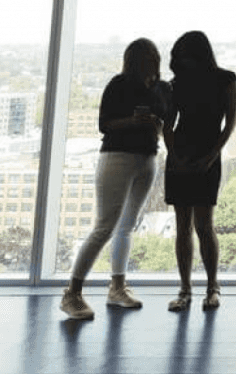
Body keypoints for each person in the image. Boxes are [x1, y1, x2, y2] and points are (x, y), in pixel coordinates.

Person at [60, 38, 169, 320]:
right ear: (133, 60)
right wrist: (134, 121)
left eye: (153, 56)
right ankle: (72, 293)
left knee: (127, 226)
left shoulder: (162, 88)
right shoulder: (118, 85)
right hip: (117, 157)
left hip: (148, 158)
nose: (151, 61)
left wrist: (156, 125)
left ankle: (117, 287)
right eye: (145, 57)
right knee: (105, 226)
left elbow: (167, 122)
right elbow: (104, 124)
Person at [163, 30, 236, 312]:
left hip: (206, 155)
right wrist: (175, 156)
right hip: (183, 155)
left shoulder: (226, 80)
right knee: (183, 225)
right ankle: (185, 289)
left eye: (187, 56)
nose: (184, 62)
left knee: (203, 225)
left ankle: (212, 287)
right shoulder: (176, 84)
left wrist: (210, 157)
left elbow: (230, 124)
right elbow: (167, 126)